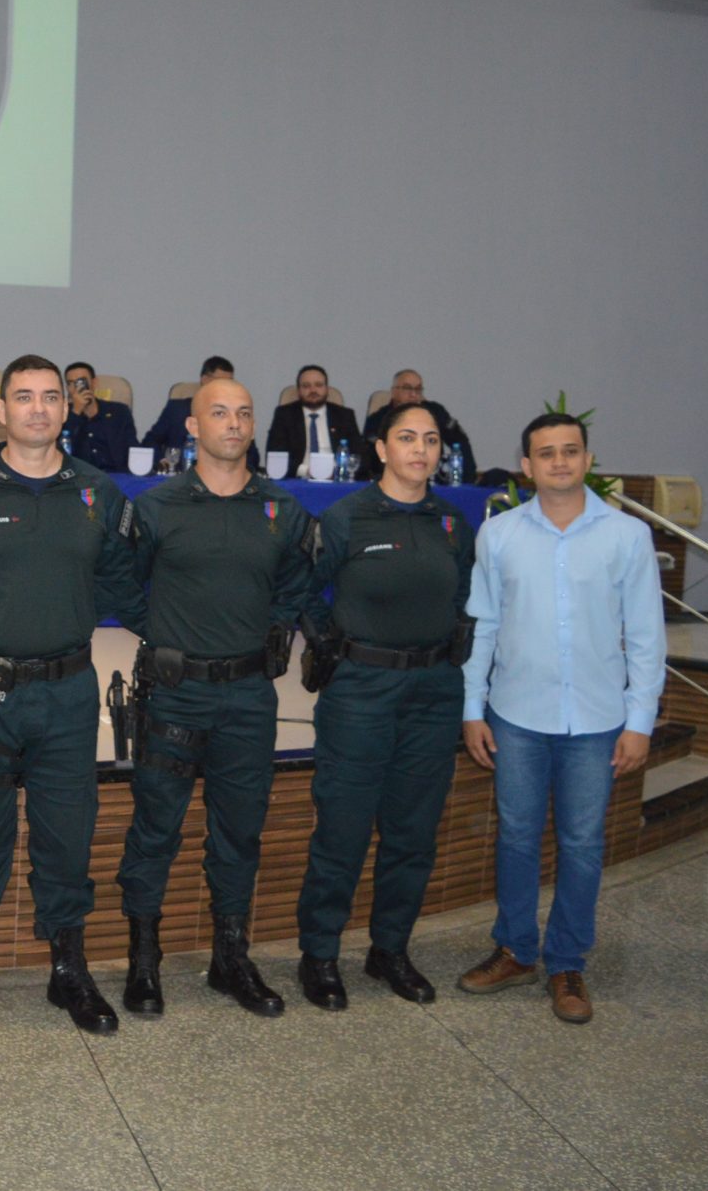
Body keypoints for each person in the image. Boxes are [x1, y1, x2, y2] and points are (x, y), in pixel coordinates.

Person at [0, 355, 146, 1034]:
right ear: (1, 409)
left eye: (50, 397)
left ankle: (68, 969)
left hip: (67, 694)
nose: (39, 408)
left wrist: (59, 616)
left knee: (66, 838)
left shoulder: (97, 493)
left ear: (66, 408)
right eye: (24, 397)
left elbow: (118, 576)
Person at [457, 413, 663, 1024]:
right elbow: (483, 627)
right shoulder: (499, 535)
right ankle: (516, 950)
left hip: (597, 720)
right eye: (546, 453)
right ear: (527, 466)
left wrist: (640, 721)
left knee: (582, 843)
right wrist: (472, 708)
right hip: (516, 715)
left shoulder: (627, 536)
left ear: (588, 459)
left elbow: (646, 635)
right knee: (517, 838)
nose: (559, 462)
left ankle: (567, 961)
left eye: (570, 451)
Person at [115, 377, 311, 1018]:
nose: (234, 423)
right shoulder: (158, 506)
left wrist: (270, 630)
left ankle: (231, 958)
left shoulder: (281, 509)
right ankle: (145, 961)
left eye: (244, 413)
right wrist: (164, 633)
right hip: (176, 695)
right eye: (219, 413)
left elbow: (296, 582)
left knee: (239, 831)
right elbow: (122, 583)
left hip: (249, 697)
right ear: (193, 427)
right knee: (155, 829)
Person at [293, 401, 475, 1010]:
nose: (420, 450)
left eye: (431, 439)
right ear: (381, 448)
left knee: (413, 832)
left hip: (433, 692)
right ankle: (320, 953)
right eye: (407, 437)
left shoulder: (452, 522)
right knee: (343, 828)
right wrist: (329, 643)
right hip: (361, 692)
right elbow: (302, 588)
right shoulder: (347, 517)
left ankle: (390, 949)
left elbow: (465, 596)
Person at [359, 369, 477, 480]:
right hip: (391, 480)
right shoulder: (378, 419)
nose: (413, 394)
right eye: (407, 388)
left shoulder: (436, 412)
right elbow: (371, 456)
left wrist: (467, 478)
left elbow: (460, 440)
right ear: (394, 392)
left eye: (418, 389)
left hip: (431, 478)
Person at [263, 364, 362, 479]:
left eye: (318, 385)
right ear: (299, 391)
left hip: (336, 480)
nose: (313, 390)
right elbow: (275, 457)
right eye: (306, 386)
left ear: (327, 389)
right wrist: (305, 471)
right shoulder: (284, 415)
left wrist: (337, 470)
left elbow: (360, 456)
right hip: (299, 480)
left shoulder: (344, 416)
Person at [142, 356, 236, 458]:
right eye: (221, 382)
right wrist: (163, 463)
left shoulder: (235, 416)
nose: (226, 388)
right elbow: (150, 441)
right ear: (205, 380)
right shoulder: (177, 409)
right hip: (180, 466)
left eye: (229, 383)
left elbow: (247, 453)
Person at [62, 360, 137, 472]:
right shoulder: (62, 414)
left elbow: (133, 448)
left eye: (81, 382)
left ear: (94, 382)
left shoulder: (119, 412)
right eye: (71, 383)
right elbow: (60, 449)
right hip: (81, 476)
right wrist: (76, 412)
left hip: (117, 475)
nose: (77, 388)